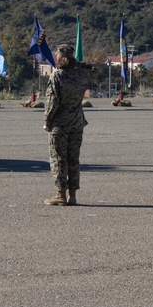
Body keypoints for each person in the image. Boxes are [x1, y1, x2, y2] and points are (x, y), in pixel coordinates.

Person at [43, 44, 93, 206]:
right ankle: (72, 195)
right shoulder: (82, 75)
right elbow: (91, 68)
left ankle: (60, 195)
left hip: (60, 124)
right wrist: (77, 64)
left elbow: (52, 103)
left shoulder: (58, 76)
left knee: (58, 159)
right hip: (77, 122)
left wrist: (47, 122)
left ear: (60, 56)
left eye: (57, 54)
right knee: (73, 159)